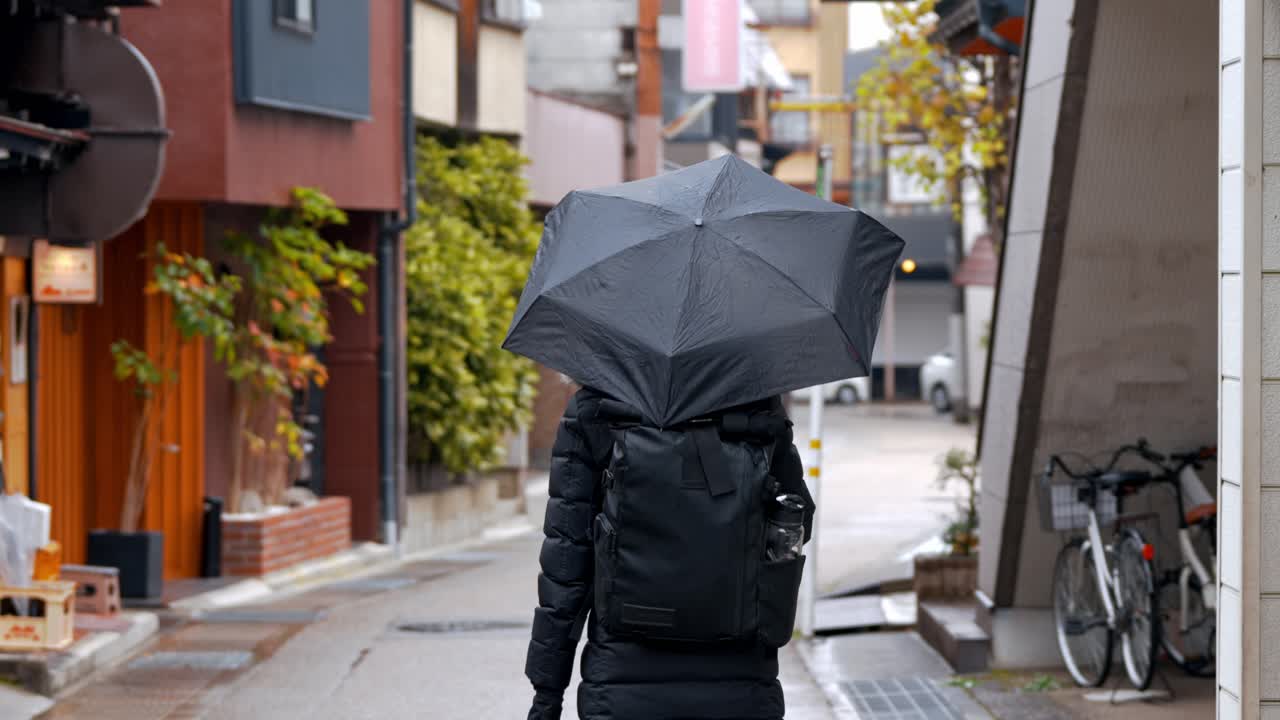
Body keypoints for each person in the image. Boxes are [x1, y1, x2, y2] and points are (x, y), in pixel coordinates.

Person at [525, 386, 813, 720]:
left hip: (621, 685)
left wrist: (547, 693)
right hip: (740, 682)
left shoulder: (596, 404)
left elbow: (566, 566)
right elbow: (799, 519)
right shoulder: (756, 398)